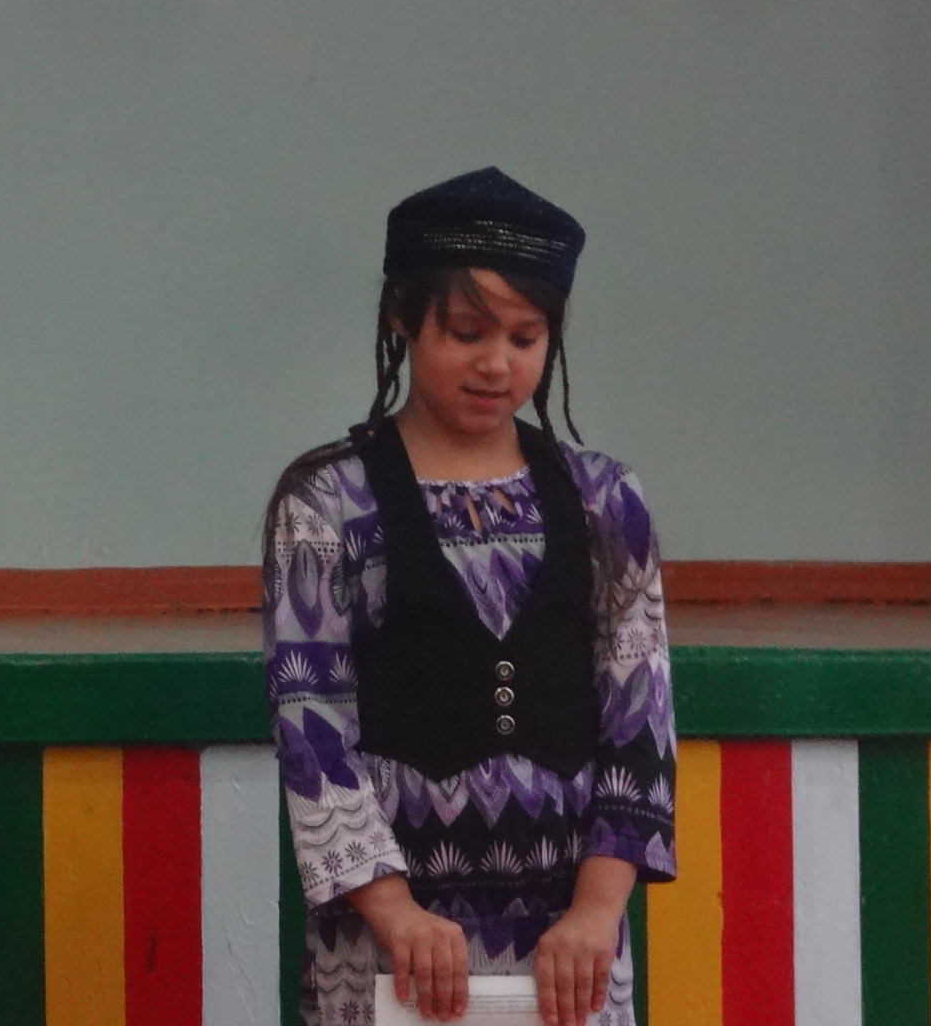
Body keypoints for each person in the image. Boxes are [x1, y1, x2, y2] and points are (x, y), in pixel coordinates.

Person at [262, 168, 677, 1026]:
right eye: (466, 332)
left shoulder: (605, 500)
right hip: (392, 947)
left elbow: (641, 715)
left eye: (526, 338)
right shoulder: (330, 502)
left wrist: (598, 912)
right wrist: (394, 911)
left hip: (570, 946)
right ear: (401, 318)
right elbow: (312, 724)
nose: (497, 364)